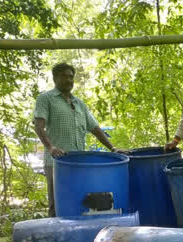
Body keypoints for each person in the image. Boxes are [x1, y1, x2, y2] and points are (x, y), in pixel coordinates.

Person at [33, 63, 126, 217]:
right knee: (57, 205)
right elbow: (38, 126)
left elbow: (95, 128)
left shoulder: (79, 103)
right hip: (58, 163)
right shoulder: (46, 99)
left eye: (71, 77)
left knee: (79, 202)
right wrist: (50, 147)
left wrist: (113, 148)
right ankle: (56, 238)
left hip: (80, 164)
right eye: (64, 76)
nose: (69, 80)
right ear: (55, 78)